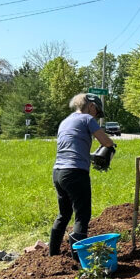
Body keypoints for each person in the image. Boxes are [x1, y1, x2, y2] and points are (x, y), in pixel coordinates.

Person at [49, 93, 115, 256]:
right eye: (97, 112)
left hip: (58, 173)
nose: (97, 116)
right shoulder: (87, 119)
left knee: (64, 215)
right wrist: (110, 148)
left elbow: (72, 147)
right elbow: (106, 142)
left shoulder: (65, 121)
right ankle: (78, 257)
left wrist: (91, 155)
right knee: (82, 215)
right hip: (75, 173)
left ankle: (53, 253)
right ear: (91, 106)